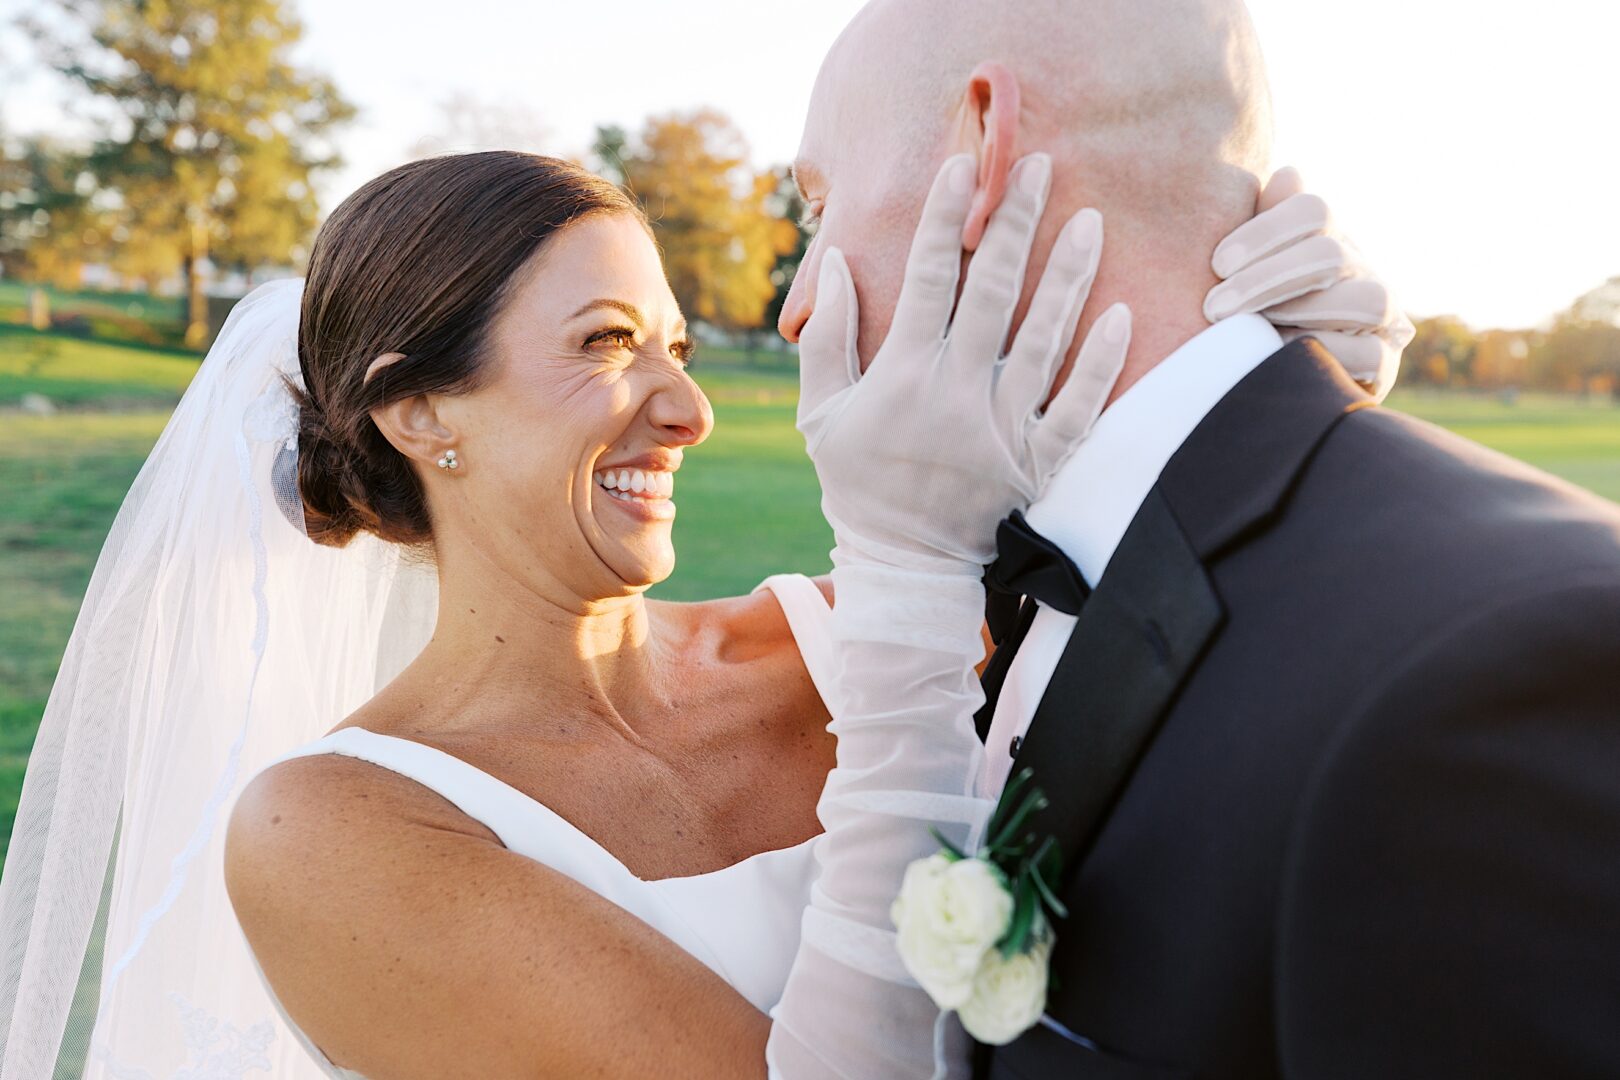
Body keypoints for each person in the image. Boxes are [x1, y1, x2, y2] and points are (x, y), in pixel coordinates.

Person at [0, 28, 1413, 1080]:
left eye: (675, 348)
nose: (684, 408)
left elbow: (1206, 691)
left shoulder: (851, 631)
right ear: (418, 408)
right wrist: (919, 581)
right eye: (608, 348)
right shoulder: (336, 835)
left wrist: (1275, 385)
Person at [782, 0, 1620, 1076]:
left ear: (979, 147)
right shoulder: (977, 577)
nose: (798, 309)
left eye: (818, 205)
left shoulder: (1506, 667)